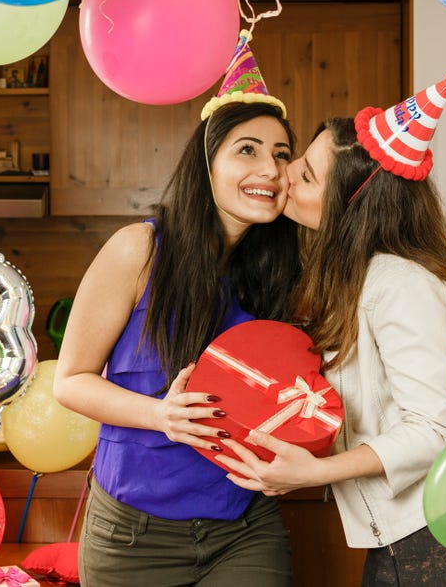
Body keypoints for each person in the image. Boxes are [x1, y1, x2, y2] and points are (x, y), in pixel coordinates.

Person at [218, 73, 446, 586]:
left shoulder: (400, 282)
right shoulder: (362, 276)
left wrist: (314, 471)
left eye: (304, 177)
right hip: (413, 538)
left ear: (353, 204)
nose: (284, 179)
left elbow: (438, 427)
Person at [53, 32, 300, 587]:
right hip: (131, 538)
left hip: (244, 526)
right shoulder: (137, 250)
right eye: (247, 149)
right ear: (206, 164)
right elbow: (69, 381)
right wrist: (159, 415)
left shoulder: (279, 274)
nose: (269, 168)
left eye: (282, 155)